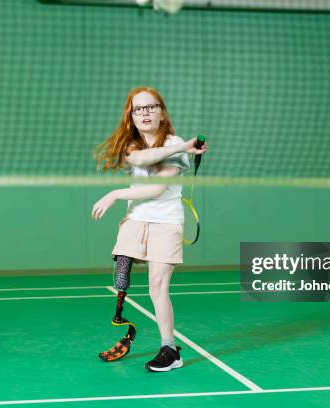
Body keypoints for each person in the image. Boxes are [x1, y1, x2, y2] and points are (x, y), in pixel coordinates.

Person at [92, 86, 207, 372]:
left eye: (150, 107)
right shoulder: (133, 144)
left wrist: (114, 194)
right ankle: (122, 313)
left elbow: (155, 189)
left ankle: (170, 349)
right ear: (131, 116)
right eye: (137, 109)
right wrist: (182, 148)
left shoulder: (175, 142)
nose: (144, 113)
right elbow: (141, 159)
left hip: (166, 222)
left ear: (162, 112)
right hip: (136, 221)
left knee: (157, 287)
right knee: (121, 276)